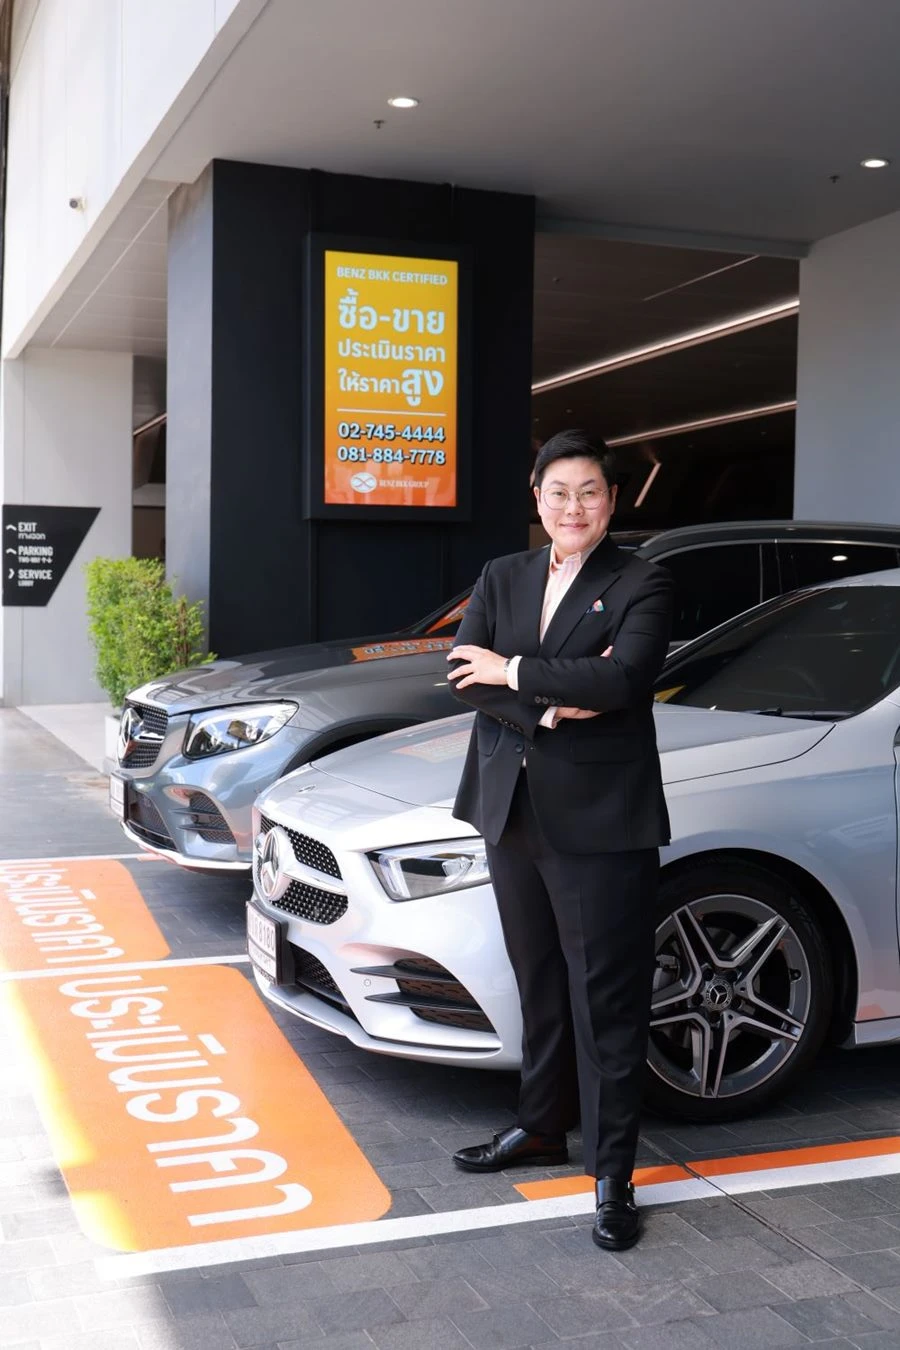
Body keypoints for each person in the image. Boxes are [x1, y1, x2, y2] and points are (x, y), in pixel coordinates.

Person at [446, 428, 673, 1251]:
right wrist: (547, 704)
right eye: (558, 492)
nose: (573, 506)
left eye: (589, 492)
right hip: (510, 809)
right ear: (536, 498)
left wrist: (512, 669)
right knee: (538, 983)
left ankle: (613, 1175)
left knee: (605, 1001)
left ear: (611, 500)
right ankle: (542, 1126)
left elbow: (622, 679)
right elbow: (462, 673)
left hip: (600, 822)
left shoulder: (642, 579)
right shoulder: (502, 574)